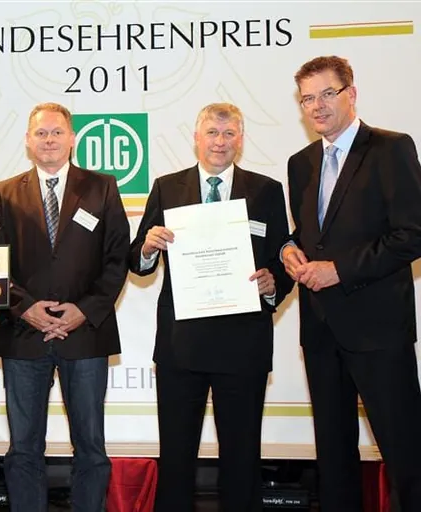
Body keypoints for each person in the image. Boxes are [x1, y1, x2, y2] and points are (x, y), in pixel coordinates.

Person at [129, 103, 293, 511]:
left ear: (241, 139)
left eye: (229, 133)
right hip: (181, 346)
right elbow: (137, 259)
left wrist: (274, 282)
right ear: (196, 138)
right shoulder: (167, 187)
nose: (220, 142)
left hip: (244, 346)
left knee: (242, 457)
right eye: (213, 133)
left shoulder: (266, 190)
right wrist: (148, 247)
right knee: (176, 457)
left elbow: (283, 257)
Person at [282, 55, 421, 511]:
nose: (317, 106)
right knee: (334, 457)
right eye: (307, 99)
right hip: (320, 330)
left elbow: (412, 234)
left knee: (405, 452)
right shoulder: (300, 163)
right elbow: (309, 234)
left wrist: (340, 269)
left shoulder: (390, 148)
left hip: (378, 329)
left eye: (328, 93)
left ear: (351, 94)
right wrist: (288, 249)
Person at [0, 102, 130, 511]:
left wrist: (84, 310)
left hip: (85, 334)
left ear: (72, 138)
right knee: (23, 448)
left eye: (56, 132)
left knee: (91, 446)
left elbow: (117, 257)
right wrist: (24, 307)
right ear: (28, 140)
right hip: (23, 334)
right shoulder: (5, 191)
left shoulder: (102, 187)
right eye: (41, 133)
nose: (49, 140)